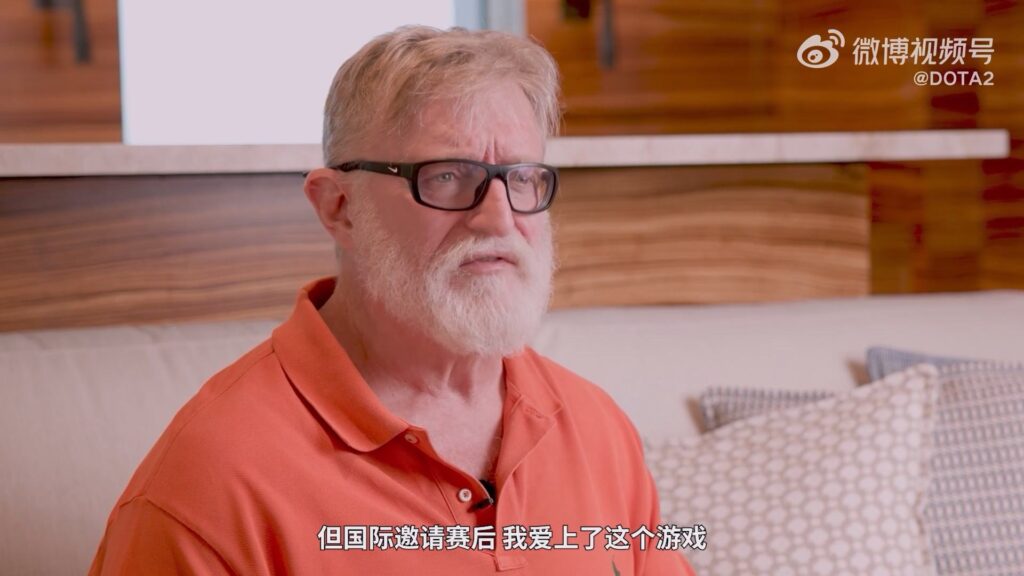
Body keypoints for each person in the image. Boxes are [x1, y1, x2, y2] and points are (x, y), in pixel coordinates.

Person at [89, 25, 695, 575]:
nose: (498, 218)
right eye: (447, 176)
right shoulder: (205, 489)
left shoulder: (594, 426)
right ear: (339, 207)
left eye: (521, 178)